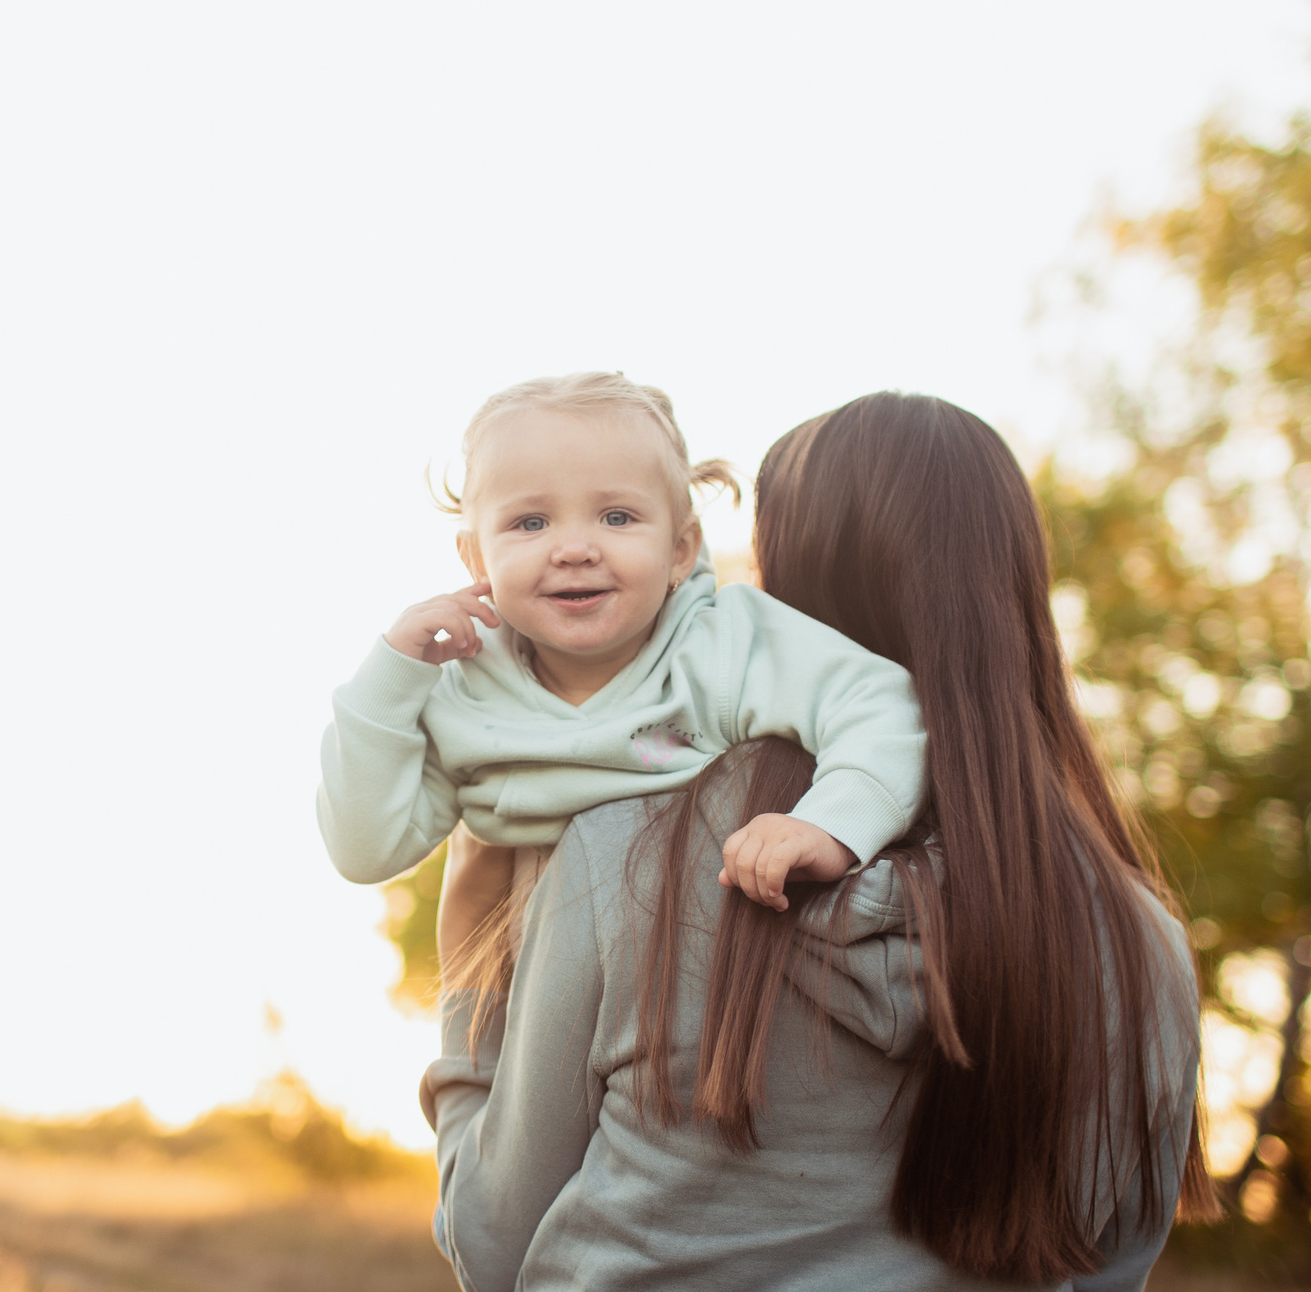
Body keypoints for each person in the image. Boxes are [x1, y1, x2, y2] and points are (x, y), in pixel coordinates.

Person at [418, 392, 1216, 1292]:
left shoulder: (629, 856)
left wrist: (466, 1000)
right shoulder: (1133, 948)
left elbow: (500, 1260)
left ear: (787, 600)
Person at [316, 371, 927, 915]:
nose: (575, 548)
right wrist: (389, 677)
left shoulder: (720, 646)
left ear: (680, 551)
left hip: (679, 982)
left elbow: (877, 705)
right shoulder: (463, 690)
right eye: (531, 522)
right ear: (476, 556)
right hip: (516, 1012)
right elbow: (366, 851)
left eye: (616, 517)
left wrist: (829, 827)